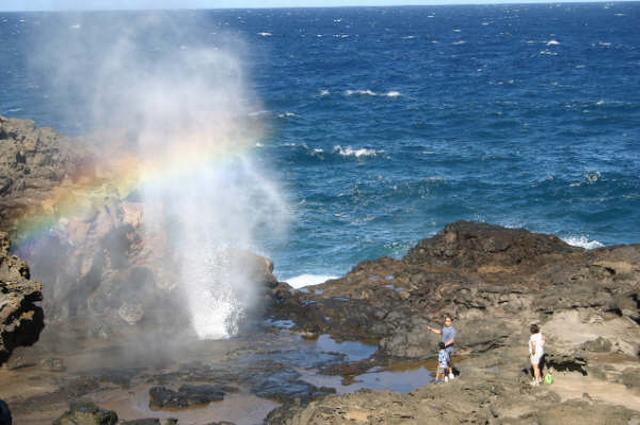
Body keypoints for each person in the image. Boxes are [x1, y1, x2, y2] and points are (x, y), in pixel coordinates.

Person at [427, 314, 457, 380]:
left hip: (448, 348)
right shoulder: (444, 328)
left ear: (451, 322)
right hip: (443, 348)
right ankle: (446, 375)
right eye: (446, 321)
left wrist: (444, 345)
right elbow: (440, 332)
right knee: (445, 361)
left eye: (448, 321)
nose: (447, 322)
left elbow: (452, 340)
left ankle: (448, 375)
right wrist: (431, 329)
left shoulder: (452, 330)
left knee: (446, 361)